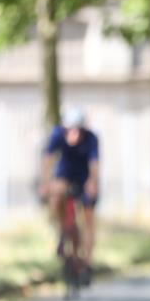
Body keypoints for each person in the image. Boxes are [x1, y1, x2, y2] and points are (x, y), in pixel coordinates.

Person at [39, 108, 99, 285]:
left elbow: (94, 164)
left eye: (77, 130)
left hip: (84, 176)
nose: (73, 134)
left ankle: (87, 263)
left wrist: (93, 183)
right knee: (56, 195)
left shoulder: (91, 139)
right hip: (65, 174)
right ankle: (61, 232)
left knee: (88, 218)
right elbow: (48, 159)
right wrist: (46, 183)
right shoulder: (58, 134)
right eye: (69, 130)